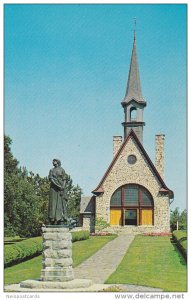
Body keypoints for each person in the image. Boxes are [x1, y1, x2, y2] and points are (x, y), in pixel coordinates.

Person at [48, 159, 68, 225]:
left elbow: (64, 179)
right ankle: (52, 219)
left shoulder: (62, 170)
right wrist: (58, 186)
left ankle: (60, 219)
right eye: (53, 161)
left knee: (60, 204)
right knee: (53, 203)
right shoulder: (51, 170)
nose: (53, 162)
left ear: (57, 162)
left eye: (54, 161)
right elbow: (51, 179)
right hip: (53, 189)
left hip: (61, 188)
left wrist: (62, 187)